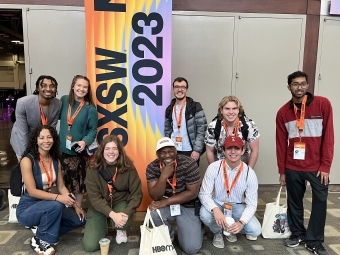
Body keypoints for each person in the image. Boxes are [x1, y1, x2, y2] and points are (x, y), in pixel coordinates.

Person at [276, 71, 334, 255]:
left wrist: (326, 165)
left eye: (302, 84)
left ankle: (314, 241)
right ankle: (298, 233)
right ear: (289, 87)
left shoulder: (323, 104)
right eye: (295, 84)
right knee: (294, 201)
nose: (299, 87)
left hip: (317, 167)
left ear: (308, 86)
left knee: (320, 202)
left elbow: (329, 137)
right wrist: (282, 171)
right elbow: (280, 144)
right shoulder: (283, 112)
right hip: (293, 166)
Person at [16, 125, 86, 255]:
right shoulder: (27, 160)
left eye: (49, 137)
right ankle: (40, 240)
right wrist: (59, 198)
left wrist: (76, 206)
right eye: (41, 137)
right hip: (28, 208)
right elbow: (32, 191)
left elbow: (61, 187)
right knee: (56, 205)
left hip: (48, 204)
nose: (46, 140)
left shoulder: (55, 160)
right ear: (35, 140)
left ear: (54, 139)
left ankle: (42, 230)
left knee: (79, 220)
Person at [82, 135, 142, 252]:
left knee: (123, 222)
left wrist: (126, 213)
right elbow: (94, 198)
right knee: (90, 246)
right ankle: (107, 222)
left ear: (119, 151)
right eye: (107, 148)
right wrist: (113, 215)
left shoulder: (129, 167)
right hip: (98, 207)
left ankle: (120, 228)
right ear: (102, 151)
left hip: (119, 203)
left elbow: (137, 194)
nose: (111, 152)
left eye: (114, 148)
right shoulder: (92, 168)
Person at [199, 135, 261, 248]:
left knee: (255, 230)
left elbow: (252, 204)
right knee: (204, 214)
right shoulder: (213, 168)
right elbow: (204, 194)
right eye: (229, 148)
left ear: (243, 151)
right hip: (217, 202)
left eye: (237, 148)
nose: (233, 152)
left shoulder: (249, 173)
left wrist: (241, 223)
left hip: (237, 206)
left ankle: (231, 228)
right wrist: (215, 209)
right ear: (223, 150)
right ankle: (217, 232)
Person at [146, 137, 203, 255]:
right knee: (153, 212)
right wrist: (163, 176)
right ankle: (169, 234)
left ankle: (198, 226)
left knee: (191, 249)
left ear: (176, 151)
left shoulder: (189, 164)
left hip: (187, 205)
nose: (167, 155)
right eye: (162, 152)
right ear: (157, 154)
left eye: (170, 151)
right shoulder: (152, 167)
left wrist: (166, 202)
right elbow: (155, 196)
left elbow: (192, 193)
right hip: (166, 204)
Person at [59, 75, 98, 207]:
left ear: (88, 90)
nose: (81, 89)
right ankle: (64, 209)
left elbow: (93, 130)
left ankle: (78, 209)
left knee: (78, 184)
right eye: (79, 85)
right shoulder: (64, 100)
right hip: (60, 151)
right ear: (73, 86)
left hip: (78, 153)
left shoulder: (90, 109)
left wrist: (84, 142)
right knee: (61, 182)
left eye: (85, 87)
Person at [10, 75, 61, 161]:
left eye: (52, 86)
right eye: (44, 85)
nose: (48, 89)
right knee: (27, 166)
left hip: (42, 139)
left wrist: (47, 147)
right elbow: (23, 133)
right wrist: (26, 157)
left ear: (55, 89)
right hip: (22, 138)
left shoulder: (58, 103)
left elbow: (51, 128)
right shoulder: (23, 103)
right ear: (37, 88)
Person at [205, 95, 260, 168]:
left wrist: (248, 172)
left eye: (234, 108)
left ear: (238, 110)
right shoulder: (213, 127)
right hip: (220, 164)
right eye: (227, 109)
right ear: (221, 111)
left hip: (242, 164)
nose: (231, 112)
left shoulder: (249, 125)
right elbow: (209, 151)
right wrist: (214, 171)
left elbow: (254, 150)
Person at [164, 77, 207, 165]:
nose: (180, 89)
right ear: (173, 90)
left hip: (190, 152)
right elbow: (167, 130)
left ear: (186, 90)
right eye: (176, 87)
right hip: (174, 151)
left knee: (191, 177)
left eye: (183, 87)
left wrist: (197, 150)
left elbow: (202, 130)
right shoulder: (169, 109)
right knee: (174, 177)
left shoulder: (195, 106)